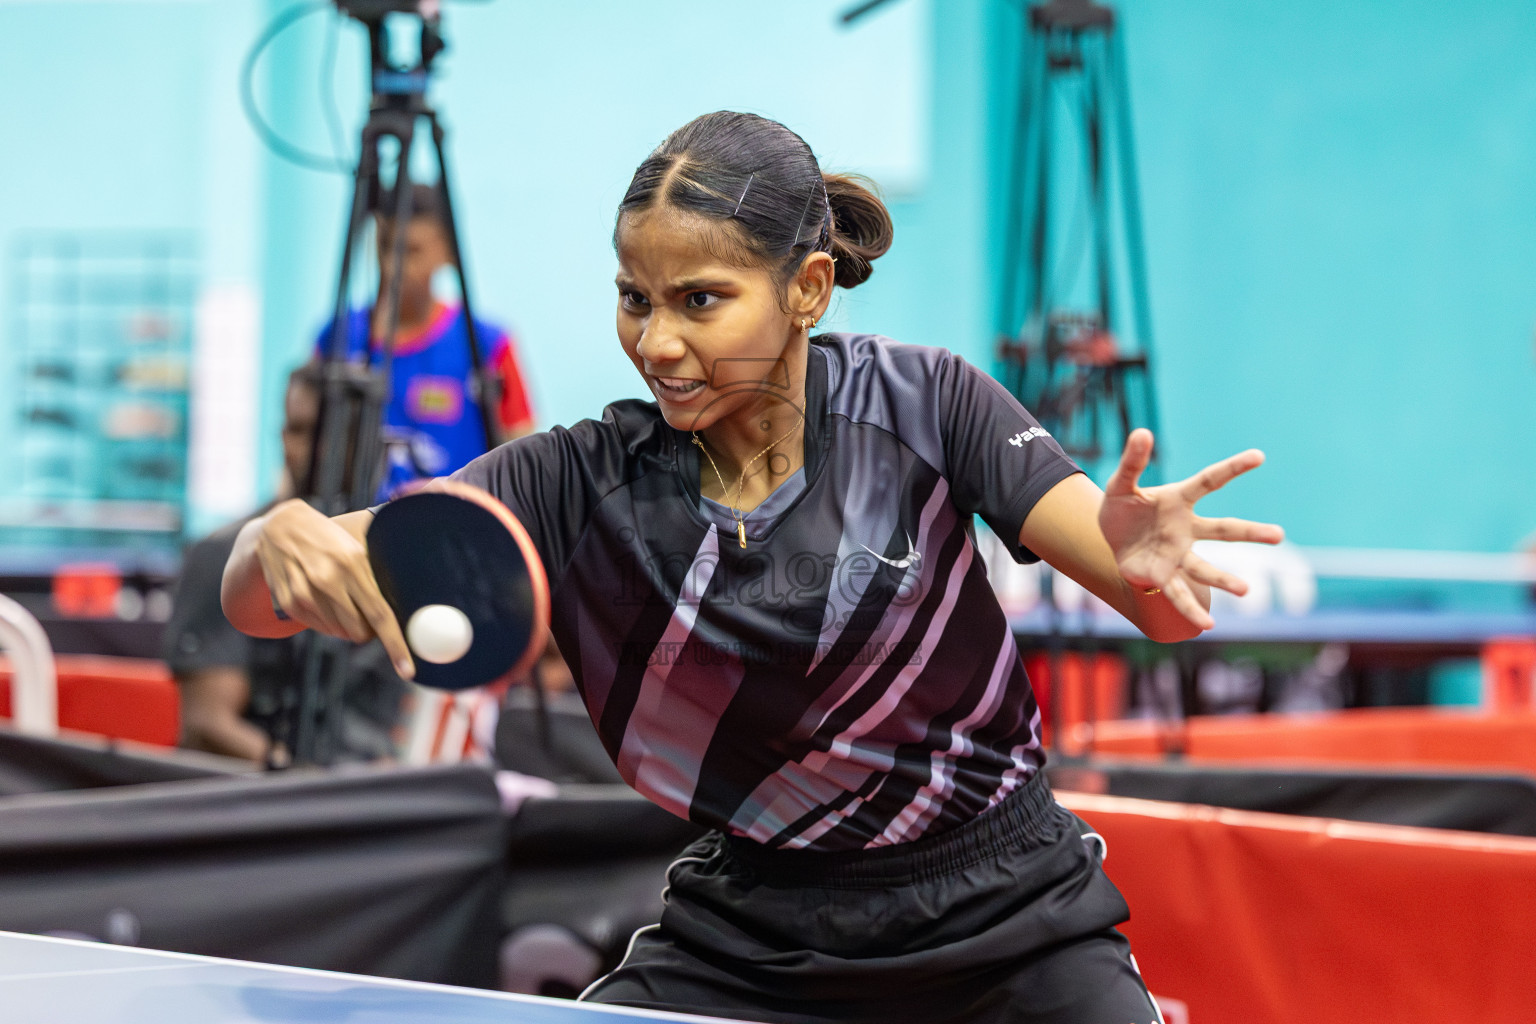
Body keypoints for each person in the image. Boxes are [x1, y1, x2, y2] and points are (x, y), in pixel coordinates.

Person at [224, 112, 1284, 1023]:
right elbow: (275, 598)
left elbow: (1162, 612)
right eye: (635, 297)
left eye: (700, 300)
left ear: (808, 290)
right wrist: (276, 541)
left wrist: (1147, 564)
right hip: (757, 933)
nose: (658, 342)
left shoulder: (927, 405)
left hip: (1007, 917)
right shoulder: (580, 478)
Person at [165, 365, 407, 764]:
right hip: (256, 799)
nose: (317, 451)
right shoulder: (222, 557)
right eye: (299, 430)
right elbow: (208, 724)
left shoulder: (392, 559)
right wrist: (306, 782)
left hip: (366, 793)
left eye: (333, 433)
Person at [314, 182, 537, 498]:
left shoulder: (488, 345)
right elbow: (301, 451)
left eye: (412, 251)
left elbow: (524, 467)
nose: (393, 266)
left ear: (447, 250)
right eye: (385, 246)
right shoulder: (335, 339)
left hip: (454, 532)